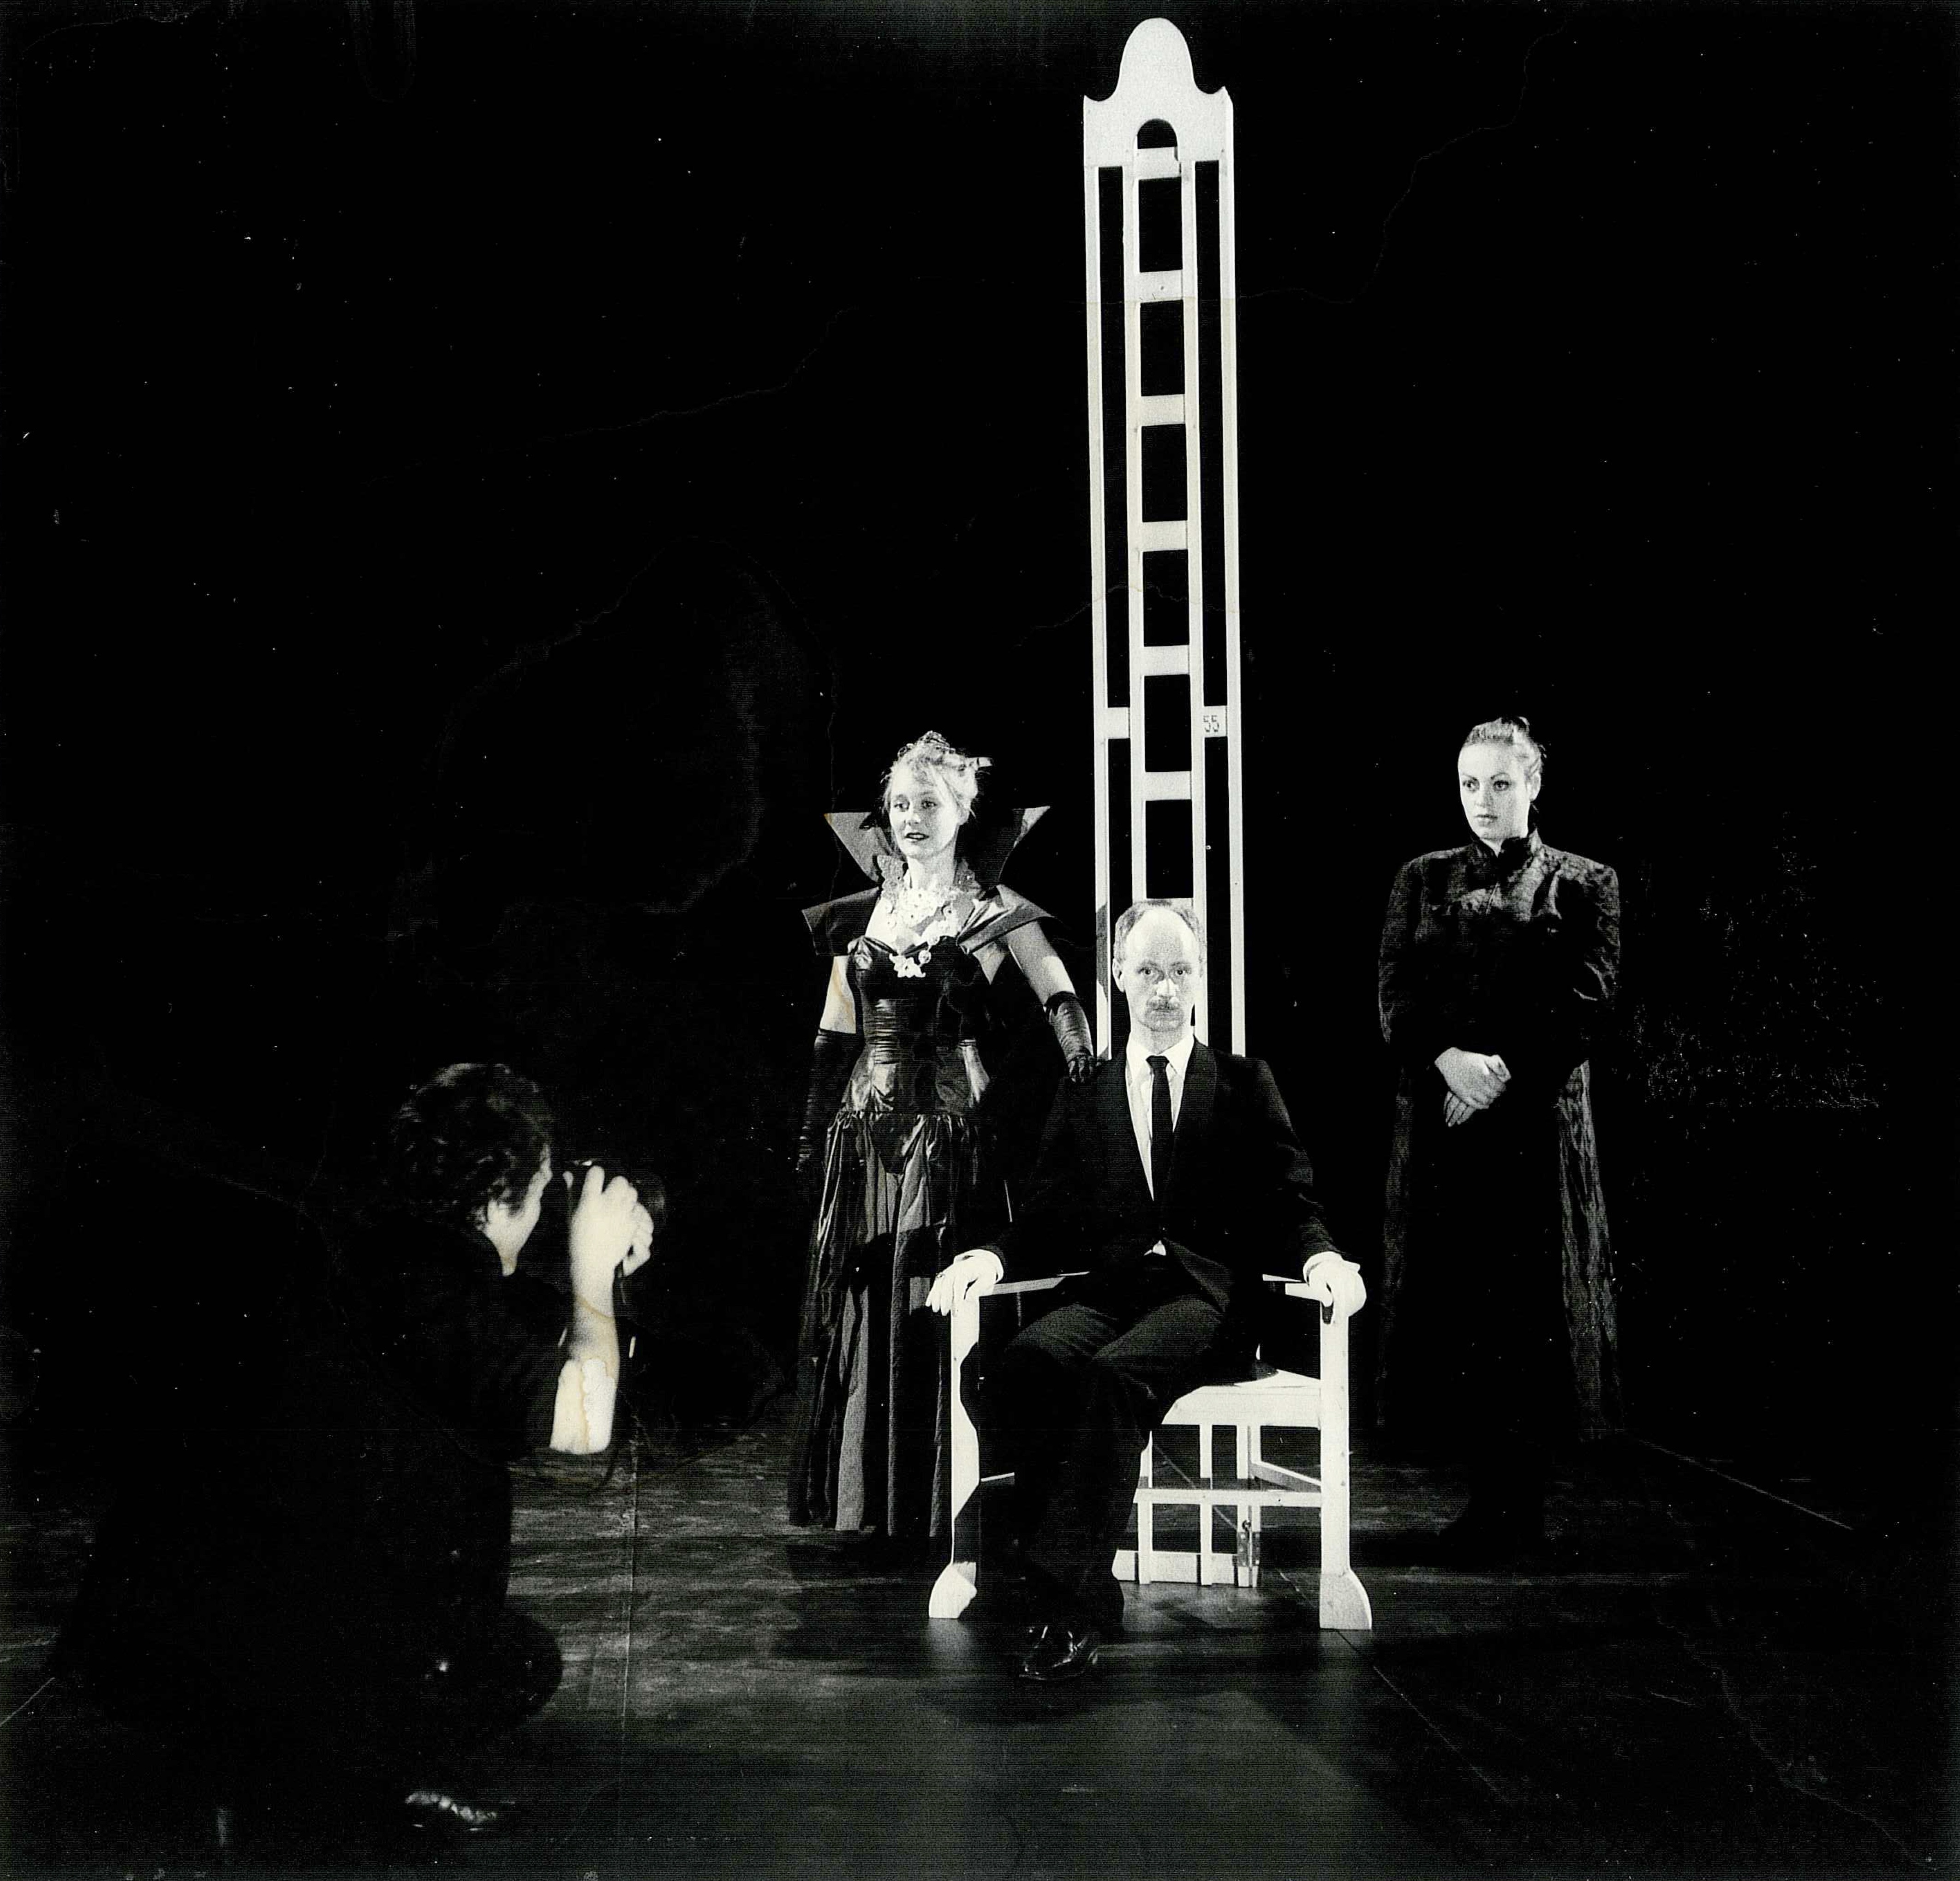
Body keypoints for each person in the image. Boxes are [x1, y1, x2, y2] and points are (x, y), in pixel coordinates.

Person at [57, 1063, 657, 1843]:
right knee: (510, 1662)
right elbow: (585, 1425)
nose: (546, 1213)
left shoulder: (384, 1253)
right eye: (541, 1194)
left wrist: (595, 1280)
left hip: (165, 1634)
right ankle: (319, 1783)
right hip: (258, 1647)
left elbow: (513, 1338)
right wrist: (593, 1274)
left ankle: (282, 1759)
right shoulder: (433, 1289)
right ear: (495, 1198)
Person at [929, 898, 1360, 1682]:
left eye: (1181, 971)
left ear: (1200, 980)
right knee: (1018, 1364)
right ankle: (1085, 1580)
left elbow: (1290, 1201)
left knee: (1111, 1377)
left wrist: (1325, 1260)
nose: (1166, 989)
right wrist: (989, 1258)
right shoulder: (1088, 1088)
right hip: (1114, 1294)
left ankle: (1065, 1603)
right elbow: (1047, 1213)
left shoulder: (1243, 1082)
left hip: (1207, 1301)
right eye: (1150, 971)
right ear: (1119, 977)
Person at [787, 731, 1095, 1543]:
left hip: (951, 1138)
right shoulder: (866, 913)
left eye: (929, 802)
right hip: (868, 1137)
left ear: (962, 812)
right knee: (869, 1304)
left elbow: (1060, 996)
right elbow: (834, 1032)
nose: (912, 817)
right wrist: (813, 1132)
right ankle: (871, 1502)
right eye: (900, 804)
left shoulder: (993, 910)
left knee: (936, 1300)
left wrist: (1080, 1054)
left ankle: (939, 1503)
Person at [1375, 714, 1621, 1563]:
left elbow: (1588, 1003)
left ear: (1534, 784)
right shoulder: (1422, 878)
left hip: (1537, 1133)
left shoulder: (1584, 882)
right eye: (1470, 784)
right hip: (1446, 1132)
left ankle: (1522, 1510)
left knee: (1530, 1319)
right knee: (1463, 1315)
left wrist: (1498, 1075)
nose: (1483, 800)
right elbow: (1395, 996)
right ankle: (1485, 1505)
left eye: (1501, 783)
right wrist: (1449, 1062)